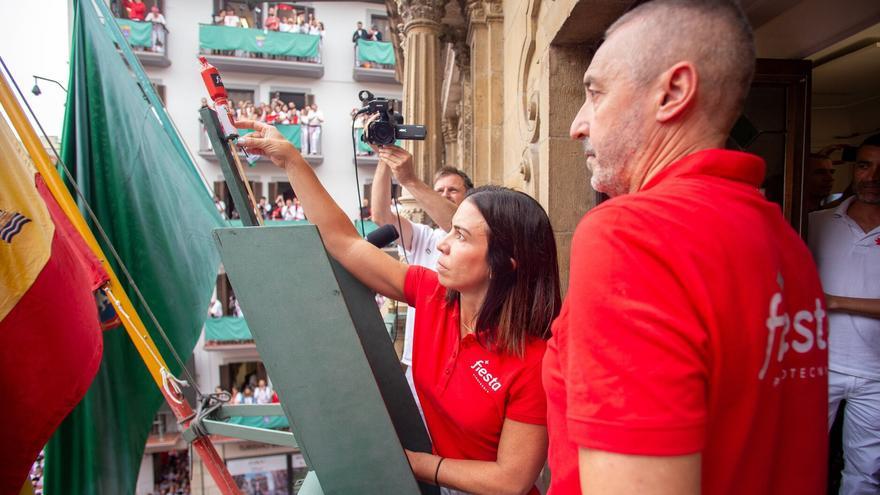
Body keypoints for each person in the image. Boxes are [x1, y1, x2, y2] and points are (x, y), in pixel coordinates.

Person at [545, 1, 828, 494]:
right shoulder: (785, 242)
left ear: (673, 92)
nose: (578, 123)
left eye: (595, 93)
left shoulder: (632, 234)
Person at [236, 118, 560, 494]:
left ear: (504, 263)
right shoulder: (433, 294)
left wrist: (415, 464)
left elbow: (511, 481)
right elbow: (346, 242)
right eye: (450, 230)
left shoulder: (534, 361)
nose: (442, 243)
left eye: (461, 236)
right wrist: (291, 161)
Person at [371, 145, 472, 421]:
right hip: (417, 361)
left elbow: (457, 220)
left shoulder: (478, 234)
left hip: (457, 362)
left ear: (468, 198)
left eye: (452, 190)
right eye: (438, 190)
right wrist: (384, 159)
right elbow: (381, 216)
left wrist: (409, 180)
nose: (443, 195)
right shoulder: (425, 236)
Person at [809, 133, 880, 495]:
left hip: (876, 374)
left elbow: (823, 299)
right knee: (802, 460)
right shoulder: (816, 222)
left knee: (865, 476)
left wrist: (834, 301)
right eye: (865, 165)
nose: (873, 176)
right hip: (817, 365)